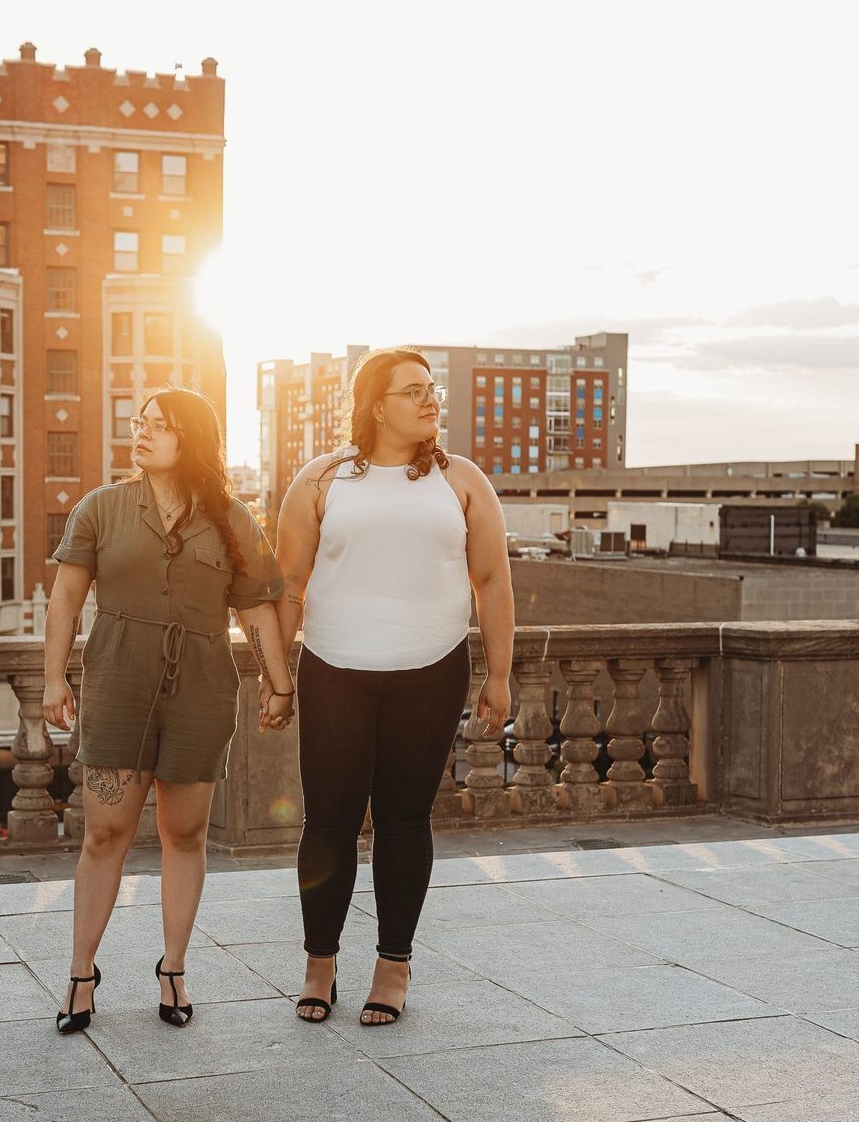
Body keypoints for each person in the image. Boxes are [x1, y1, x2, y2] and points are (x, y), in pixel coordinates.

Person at [274, 348, 513, 1025]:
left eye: (432, 390)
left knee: (406, 821)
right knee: (328, 823)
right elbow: (288, 585)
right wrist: (274, 677)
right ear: (378, 405)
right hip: (335, 669)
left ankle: (393, 965)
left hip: (430, 672)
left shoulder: (462, 480)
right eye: (414, 391)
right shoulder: (322, 480)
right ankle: (320, 964)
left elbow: (492, 580)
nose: (431, 401)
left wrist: (499, 673)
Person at [43, 388, 290, 1035]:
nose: (142, 433)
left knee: (185, 833)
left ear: (193, 438)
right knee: (105, 834)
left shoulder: (233, 519)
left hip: (201, 691)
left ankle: (173, 968)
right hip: (118, 685)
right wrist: (51, 679)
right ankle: (80, 974)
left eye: (159, 425)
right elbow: (66, 600)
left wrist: (279, 683)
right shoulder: (102, 509)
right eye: (139, 423)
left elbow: (257, 609)